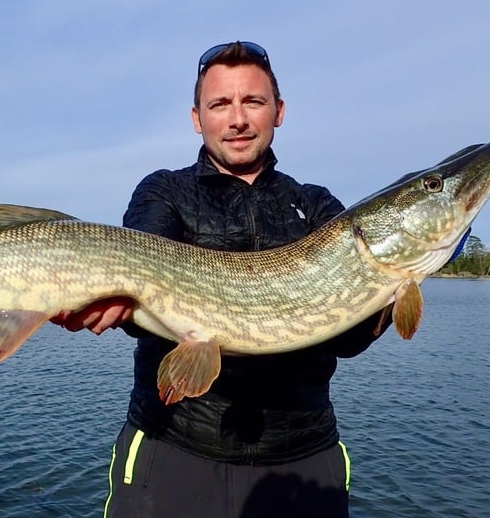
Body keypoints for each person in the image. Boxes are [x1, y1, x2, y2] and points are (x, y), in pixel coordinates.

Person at [53, 41, 394, 517]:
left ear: (278, 111)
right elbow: (142, 279)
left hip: (302, 459)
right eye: (220, 104)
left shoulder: (317, 205)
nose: (238, 119)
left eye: (253, 101)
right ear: (198, 118)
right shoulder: (165, 191)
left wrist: (396, 280)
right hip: (173, 451)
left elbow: (349, 339)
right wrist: (110, 304)